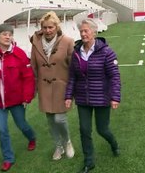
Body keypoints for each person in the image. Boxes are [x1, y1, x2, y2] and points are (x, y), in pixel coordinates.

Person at [65, 19, 121, 173]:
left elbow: (114, 76)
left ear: (94, 32)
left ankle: (114, 144)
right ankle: (89, 161)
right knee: (84, 130)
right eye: (81, 31)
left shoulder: (106, 52)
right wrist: (68, 96)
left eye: (86, 31)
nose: (83, 34)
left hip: (102, 97)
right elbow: (72, 77)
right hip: (83, 98)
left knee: (102, 129)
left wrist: (115, 97)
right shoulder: (76, 52)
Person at [0, 23, 36, 172]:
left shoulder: (19, 53)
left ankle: (32, 138)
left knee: (22, 124)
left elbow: (28, 77)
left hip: (17, 99)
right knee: (2, 129)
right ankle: (8, 158)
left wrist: (27, 97)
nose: (8, 37)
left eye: (10, 34)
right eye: (4, 34)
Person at [30, 11, 75, 160]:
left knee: (59, 119)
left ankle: (67, 141)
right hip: (44, 87)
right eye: (45, 27)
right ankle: (58, 146)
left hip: (62, 87)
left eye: (51, 27)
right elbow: (33, 66)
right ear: (41, 28)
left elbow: (73, 67)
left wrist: (72, 89)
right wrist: (34, 88)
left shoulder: (68, 41)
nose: (48, 30)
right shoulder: (35, 42)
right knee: (50, 120)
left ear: (57, 26)